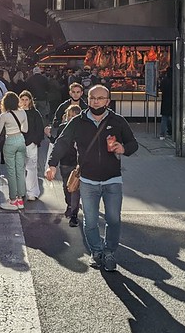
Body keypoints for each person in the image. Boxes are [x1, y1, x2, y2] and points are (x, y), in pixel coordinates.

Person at [45, 85, 138, 272]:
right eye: (92, 98)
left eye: (100, 98)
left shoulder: (117, 121)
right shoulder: (78, 121)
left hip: (112, 179)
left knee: (113, 220)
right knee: (91, 220)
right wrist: (52, 164)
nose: (96, 101)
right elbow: (62, 142)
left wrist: (124, 149)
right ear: (88, 100)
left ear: (107, 101)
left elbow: (133, 143)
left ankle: (110, 252)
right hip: (87, 180)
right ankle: (96, 252)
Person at [0, 91, 28, 211]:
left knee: (11, 172)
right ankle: (20, 199)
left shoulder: (4, 115)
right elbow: (25, 129)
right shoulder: (23, 112)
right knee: (20, 170)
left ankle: (12, 200)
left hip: (10, 140)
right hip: (21, 139)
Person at [57, 104, 82, 227]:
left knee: (75, 188)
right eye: (70, 115)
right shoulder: (62, 127)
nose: (72, 118)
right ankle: (69, 204)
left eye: (75, 116)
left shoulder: (83, 129)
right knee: (66, 186)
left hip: (77, 163)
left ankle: (74, 213)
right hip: (65, 161)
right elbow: (57, 144)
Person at [19, 90, 45, 202]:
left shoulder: (35, 113)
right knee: (19, 169)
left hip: (31, 144)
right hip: (19, 143)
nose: (24, 102)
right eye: (22, 99)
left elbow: (40, 128)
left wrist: (35, 141)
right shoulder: (17, 113)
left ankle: (32, 192)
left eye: (26, 100)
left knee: (31, 168)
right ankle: (21, 191)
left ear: (30, 101)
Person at [159, 67, 173, 139]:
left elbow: (161, 88)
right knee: (173, 118)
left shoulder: (164, 80)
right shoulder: (174, 80)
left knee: (164, 118)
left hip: (165, 101)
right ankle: (173, 132)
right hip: (173, 101)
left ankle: (162, 134)